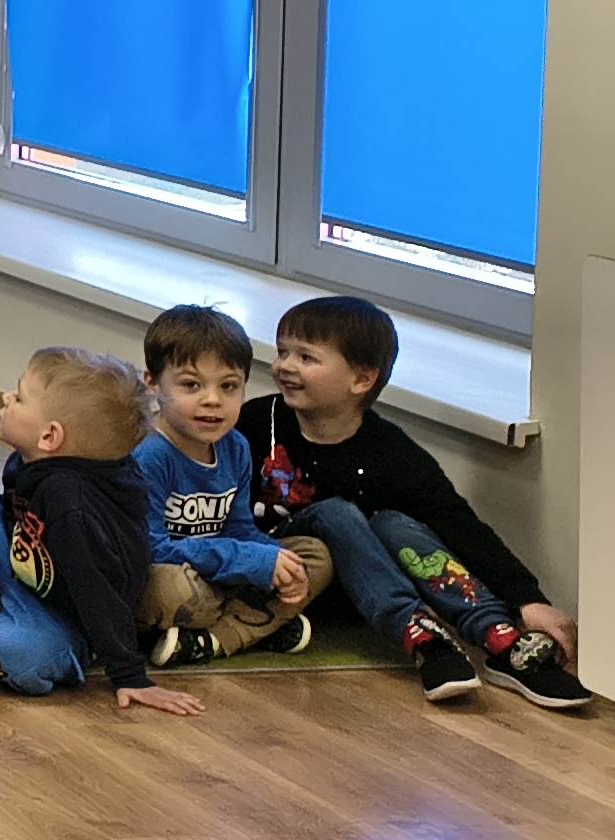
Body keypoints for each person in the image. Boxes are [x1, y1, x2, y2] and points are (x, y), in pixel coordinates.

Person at [243, 295, 584, 710]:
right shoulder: (256, 422)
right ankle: (421, 636)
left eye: (305, 357)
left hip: (358, 590)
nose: (284, 366)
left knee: (394, 524)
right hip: (276, 572)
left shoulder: (391, 451)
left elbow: (457, 522)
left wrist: (527, 599)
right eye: (283, 352)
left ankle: (498, 636)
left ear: (361, 380)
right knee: (336, 512)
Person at [0, 348, 189, 715]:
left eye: (19, 397)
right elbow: (14, 514)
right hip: (21, 557)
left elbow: (96, 588)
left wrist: (129, 673)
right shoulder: (33, 459)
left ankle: (13, 630)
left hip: (60, 611)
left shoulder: (72, 506)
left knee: (21, 661)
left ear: (50, 436)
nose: (6, 397)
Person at [131, 304, 328, 663]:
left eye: (229, 386)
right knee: (175, 590)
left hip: (217, 571)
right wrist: (248, 561)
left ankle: (212, 639)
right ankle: (255, 622)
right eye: (191, 385)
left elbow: (239, 529)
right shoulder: (150, 456)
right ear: (153, 384)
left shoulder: (235, 446)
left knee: (313, 557)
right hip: (167, 571)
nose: (212, 400)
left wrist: (271, 560)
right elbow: (150, 548)